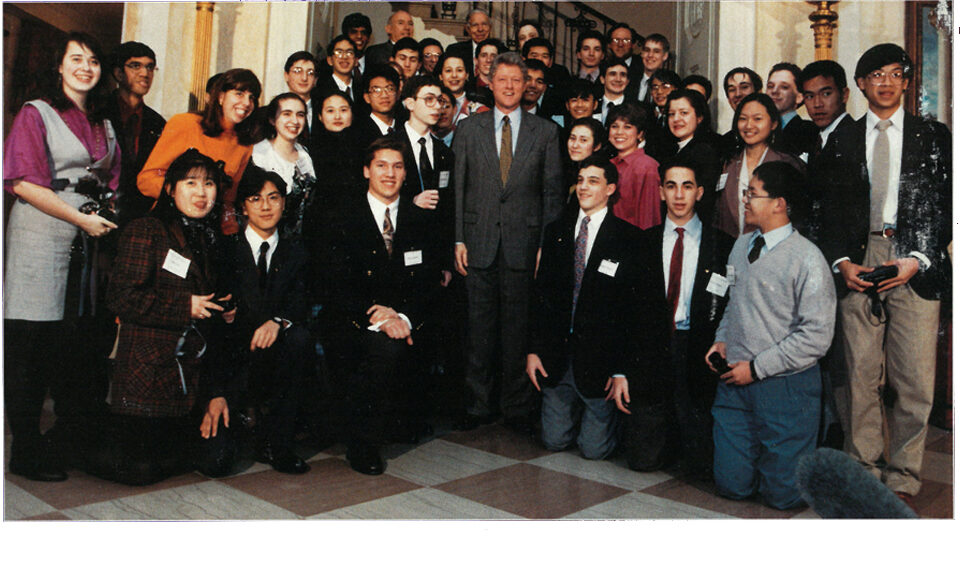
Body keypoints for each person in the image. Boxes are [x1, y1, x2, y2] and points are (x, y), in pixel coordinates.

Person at [813, 44, 951, 507]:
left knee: (914, 379)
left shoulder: (934, 136)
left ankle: (905, 475)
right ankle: (863, 468)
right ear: (861, 85)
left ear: (908, 81)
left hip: (914, 257)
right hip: (861, 256)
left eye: (896, 73)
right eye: (876, 75)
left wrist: (919, 258)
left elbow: (945, 206)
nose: (887, 82)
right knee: (858, 374)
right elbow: (824, 212)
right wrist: (841, 262)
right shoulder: (843, 139)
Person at [4, 32, 120, 482]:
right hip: (41, 233)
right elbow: (23, 184)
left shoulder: (102, 121)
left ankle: (64, 441)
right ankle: (25, 448)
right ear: (59, 65)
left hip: (87, 241)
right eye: (76, 59)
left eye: (93, 60)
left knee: (71, 343)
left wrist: (103, 214)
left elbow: (112, 181)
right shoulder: (37, 112)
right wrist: (81, 219)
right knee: (31, 343)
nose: (85, 67)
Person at [89, 149, 239, 486]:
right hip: (150, 373)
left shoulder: (214, 238)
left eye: (210, 184)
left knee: (218, 461)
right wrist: (185, 306)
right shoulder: (147, 229)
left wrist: (217, 390)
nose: (202, 193)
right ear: (170, 189)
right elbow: (122, 297)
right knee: (141, 471)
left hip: (194, 376)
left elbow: (217, 318)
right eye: (191, 183)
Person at [706, 160, 836, 510]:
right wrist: (722, 339)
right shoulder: (741, 245)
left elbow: (816, 337)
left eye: (752, 193)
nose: (745, 200)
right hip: (734, 383)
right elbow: (734, 301)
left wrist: (758, 368)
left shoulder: (808, 259)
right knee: (731, 486)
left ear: (780, 203)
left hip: (786, 388)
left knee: (784, 498)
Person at [453, 52, 564, 434]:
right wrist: (458, 238)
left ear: (527, 85)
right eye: (503, 80)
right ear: (490, 82)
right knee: (478, 329)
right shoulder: (468, 129)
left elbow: (552, 195)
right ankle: (477, 403)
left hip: (524, 244)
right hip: (478, 241)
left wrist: (543, 248)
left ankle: (516, 407)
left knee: (517, 329)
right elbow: (459, 189)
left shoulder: (546, 132)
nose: (511, 87)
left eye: (518, 81)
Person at [315, 138, 440, 475]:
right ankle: (363, 445)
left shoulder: (421, 220)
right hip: (352, 317)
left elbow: (427, 282)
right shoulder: (341, 216)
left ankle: (390, 425)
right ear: (367, 170)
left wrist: (402, 316)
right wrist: (378, 316)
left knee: (397, 343)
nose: (390, 173)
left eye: (398, 166)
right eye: (382, 166)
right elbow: (333, 281)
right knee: (380, 347)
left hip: (401, 319)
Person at [528, 156, 661, 460]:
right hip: (558, 358)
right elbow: (540, 296)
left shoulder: (629, 240)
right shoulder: (556, 231)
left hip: (601, 363)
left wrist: (621, 370)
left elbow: (634, 313)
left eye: (594, 181)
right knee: (554, 441)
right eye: (581, 180)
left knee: (594, 450)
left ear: (610, 188)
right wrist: (534, 350)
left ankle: (597, 418)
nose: (584, 187)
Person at [638, 158, 734, 478]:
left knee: (700, 467)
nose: (679, 194)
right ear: (661, 192)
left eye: (687, 186)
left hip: (697, 345)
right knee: (643, 461)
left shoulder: (721, 244)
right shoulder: (643, 242)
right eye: (671, 186)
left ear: (700, 193)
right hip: (655, 347)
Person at [220, 166, 311, 474]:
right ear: (243, 206)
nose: (266, 206)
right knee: (218, 461)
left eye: (274, 198)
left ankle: (280, 444)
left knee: (298, 338)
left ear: (284, 203)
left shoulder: (295, 250)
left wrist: (277, 320)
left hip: (276, 344)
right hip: (235, 345)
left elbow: (301, 299)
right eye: (256, 199)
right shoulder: (227, 249)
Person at [139, 68, 261, 235]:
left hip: (211, 232)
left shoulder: (244, 144)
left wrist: (231, 233)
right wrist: (187, 196)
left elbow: (228, 200)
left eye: (252, 97)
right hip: (170, 225)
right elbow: (146, 179)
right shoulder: (185, 124)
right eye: (239, 93)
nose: (247, 103)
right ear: (221, 96)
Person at [715, 93, 804, 238]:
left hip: (773, 251)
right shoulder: (727, 162)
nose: (749, 125)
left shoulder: (787, 164)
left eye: (757, 119)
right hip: (729, 250)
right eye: (743, 119)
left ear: (774, 123)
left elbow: (797, 217)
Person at [104, 41, 165, 226]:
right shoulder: (96, 112)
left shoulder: (159, 123)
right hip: (99, 215)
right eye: (135, 66)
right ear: (118, 73)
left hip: (139, 219)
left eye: (150, 67)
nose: (145, 73)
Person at [251, 93, 316, 239]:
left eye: (300, 115)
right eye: (286, 114)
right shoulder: (259, 155)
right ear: (272, 120)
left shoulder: (305, 154)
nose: (294, 121)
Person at [660, 89, 721, 212]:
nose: (676, 119)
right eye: (671, 114)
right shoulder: (672, 149)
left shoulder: (704, 152)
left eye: (684, 113)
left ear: (699, 117)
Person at [305, 90, 362, 213]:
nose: (337, 116)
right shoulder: (310, 150)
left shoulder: (365, 147)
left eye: (343, 110)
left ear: (352, 114)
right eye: (330, 111)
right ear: (320, 116)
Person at [607, 102, 661, 230]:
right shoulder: (608, 165)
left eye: (627, 127)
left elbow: (649, 219)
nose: (619, 132)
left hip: (632, 243)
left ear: (640, 134)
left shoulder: (647, 167)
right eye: (614, 126)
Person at [767, 62, 819, 159]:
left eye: (784, 87)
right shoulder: (759, 130)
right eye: (770, 86)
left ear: (799, 97)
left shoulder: (809, 132)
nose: (774, 91)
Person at [800, 60, 854, 153]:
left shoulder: (855, 138)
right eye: (809, 96)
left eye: (826, 94)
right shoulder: (814, 139)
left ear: (844, 95)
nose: (817, 104)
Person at [355, 64, 402, 150]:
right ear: (367, 97)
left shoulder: (405, 127)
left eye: (390, 89)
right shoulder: (357, 134)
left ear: (398, 94)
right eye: (376, 90)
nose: (384, 95)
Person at [719, 67, 764, 154]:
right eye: (732, 90)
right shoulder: (724, 142)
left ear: (759, 92)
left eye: (744, 87)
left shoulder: (768, 132)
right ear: (728, 99)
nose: (738, 94)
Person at [282, 51, 319, 145]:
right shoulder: (274, 110)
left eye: (310, 73)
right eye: (298, 71)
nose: (304, 78)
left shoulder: (324, 111)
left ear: (315, 80)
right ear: (286, 76)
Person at [563, 117, 604, 199]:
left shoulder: (600, 174)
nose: (575, 145)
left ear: (597, 146)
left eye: (583, 140)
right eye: (572, 138)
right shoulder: (565, 169)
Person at [446, 9, 493, 79]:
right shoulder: (455, 50)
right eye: (475, 25)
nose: (480, 29)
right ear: (468, 29)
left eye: (484, 24)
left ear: (490, 27)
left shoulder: (502, 51)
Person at [315, 35, 358, 104]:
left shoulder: (362, 89)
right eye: (339, 52)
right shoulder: (320, 89)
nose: (344, 57)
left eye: (349, 53)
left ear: (356, 61)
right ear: (330, 60)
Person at [466, 38, 505, 106]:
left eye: (493, 56)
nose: (488, 60)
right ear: (476, 61)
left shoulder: (506, 87)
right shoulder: (466, 88)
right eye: (484, 55)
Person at [594, 58, 630, 126]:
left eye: (623, 75)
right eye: (613, 74)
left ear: (627, 81)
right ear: (602, 79)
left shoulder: (637, 109)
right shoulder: (593, 106)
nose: (618, 79)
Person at [636, 34, 671, 103]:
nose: (650, 55)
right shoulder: (629, 81)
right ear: (642, 53)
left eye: (656, 51)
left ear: (665, 56)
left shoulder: (670, 84)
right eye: (647, 50)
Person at [342, 12, 373, 76]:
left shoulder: (375, 66)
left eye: (363, 32)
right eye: (354, 32)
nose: (359, 36)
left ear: (369, 38)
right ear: (345, 36)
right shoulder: (334, 66)